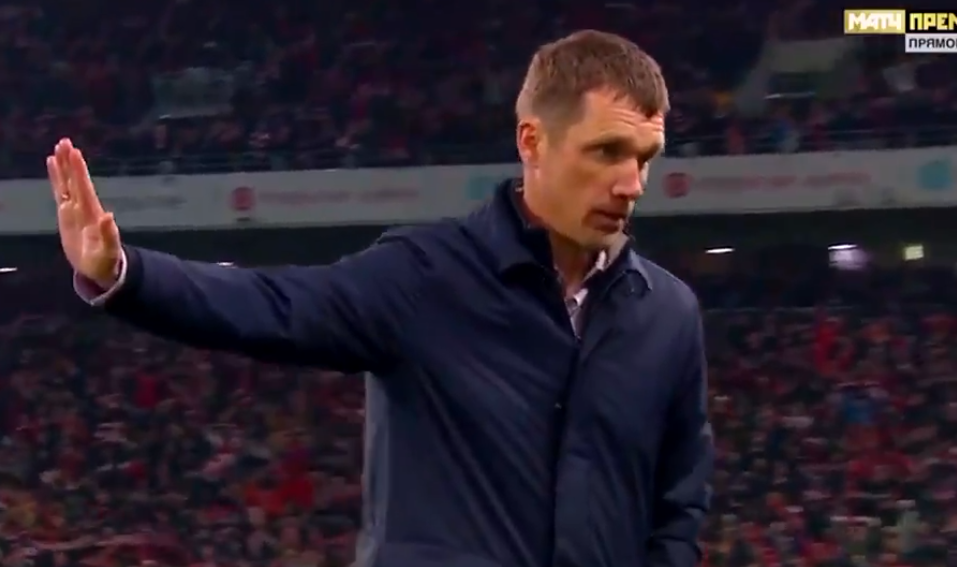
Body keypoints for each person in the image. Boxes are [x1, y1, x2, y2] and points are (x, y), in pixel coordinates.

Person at [49, 30, 713, 567]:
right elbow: (274, 305)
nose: (632, 183)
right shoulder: (427, 276)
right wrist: (125, 273)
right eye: (607, 151)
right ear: (532, 142)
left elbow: (679, 501)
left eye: (645, 157)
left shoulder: (668, 314)